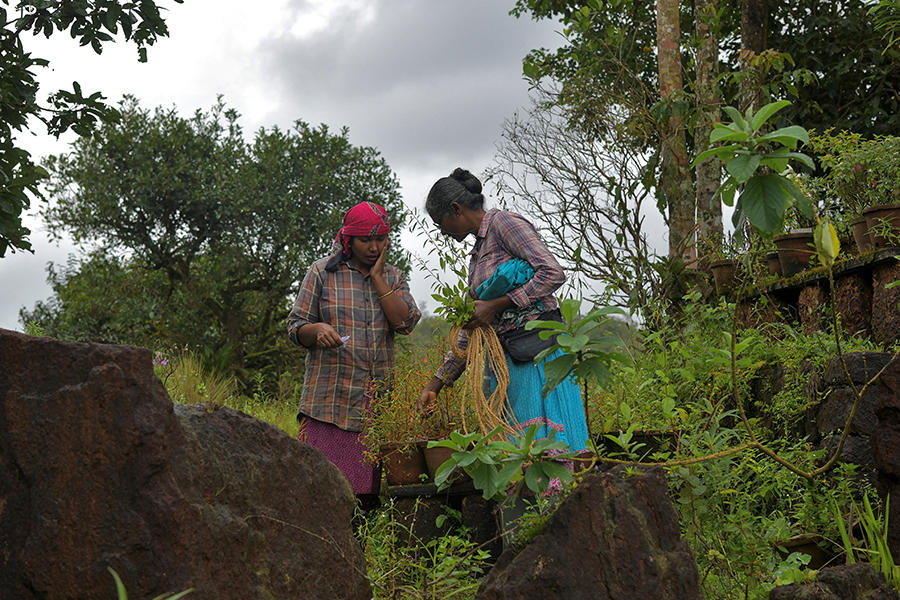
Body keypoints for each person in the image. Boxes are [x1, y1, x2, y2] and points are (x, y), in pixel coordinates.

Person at [418, 168, 589, 453]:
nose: (442, 231)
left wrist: (499, 304)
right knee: (519, 457)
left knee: (545, 449)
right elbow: (473, 328)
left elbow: (552, 272)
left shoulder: (504, 224)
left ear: (456, 209)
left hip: (537, 356)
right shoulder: (478, 252)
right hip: (509, 361)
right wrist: (436, 383)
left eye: (440, 222)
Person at [288, 201, 421, 511]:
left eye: (380, 240)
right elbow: (295, 327)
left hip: (374, 407)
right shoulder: (321, 272)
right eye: (365, 240)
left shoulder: (393, 277)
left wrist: (377, 279)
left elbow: (405, 323)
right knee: (321, 495)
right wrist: (318, 329)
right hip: (328, 405)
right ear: (348, 240)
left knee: (365, 502)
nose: (374, 247)